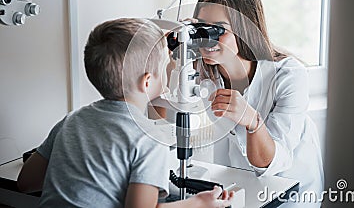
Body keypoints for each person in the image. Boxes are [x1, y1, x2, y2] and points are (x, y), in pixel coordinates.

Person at [16, 18, 233, 208]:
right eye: (166, 66)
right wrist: (197, 203)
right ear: (147, 82)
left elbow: (26, 182)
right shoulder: (148, 137)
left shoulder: (72, 120)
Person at [190, 0, 324, 207]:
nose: (207, 39)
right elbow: (164, 110)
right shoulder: (203, 73)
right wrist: (177, 47)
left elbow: (271, 162)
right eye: (201, 28)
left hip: (289, 193)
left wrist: (252, 121)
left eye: (219, 30)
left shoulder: (288, 75)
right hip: (239, 188)